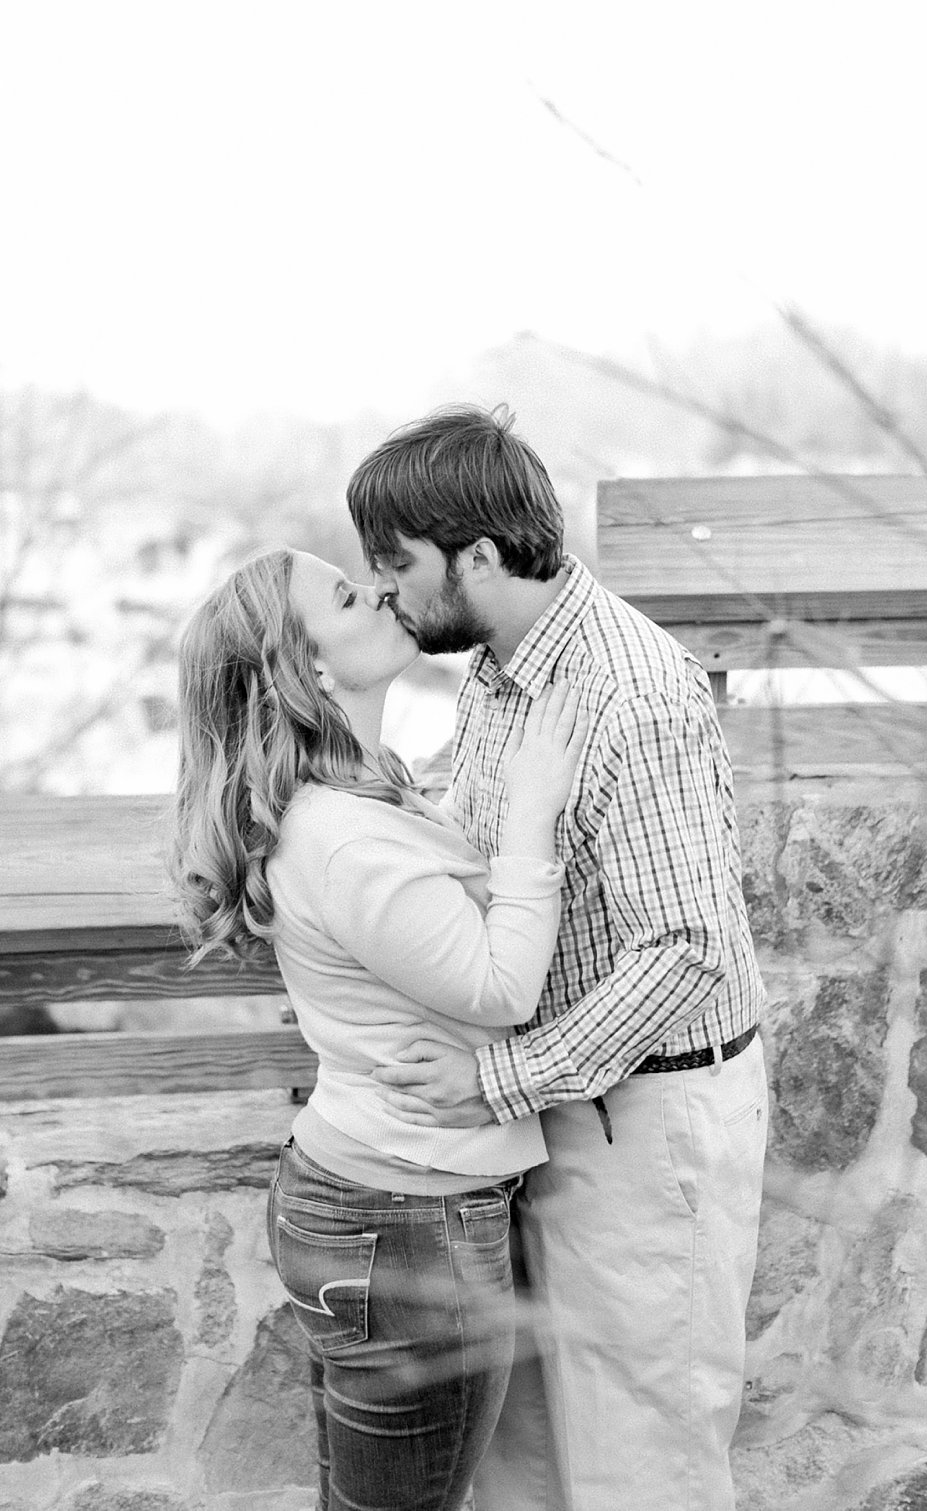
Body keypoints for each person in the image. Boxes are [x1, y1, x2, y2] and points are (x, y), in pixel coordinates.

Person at [351, 405, 769, 1511]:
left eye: (395, 565)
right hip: (549, 1113)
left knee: (645, 1462)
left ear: (477, 554)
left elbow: (685, 946)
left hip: (642, 1122)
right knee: (521, 1462)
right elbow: (479, 817)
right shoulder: (501, 666)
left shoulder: (626, 690)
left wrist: (494, 1079)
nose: (384, 590)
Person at [170, 547, 585, 1511]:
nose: (384, 591)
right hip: (405, 1230)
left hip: (378, 1206)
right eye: (349, 597)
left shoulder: (360, 786)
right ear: (307, 668)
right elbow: (499, 984)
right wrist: (531, 813)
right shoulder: (341, 836)